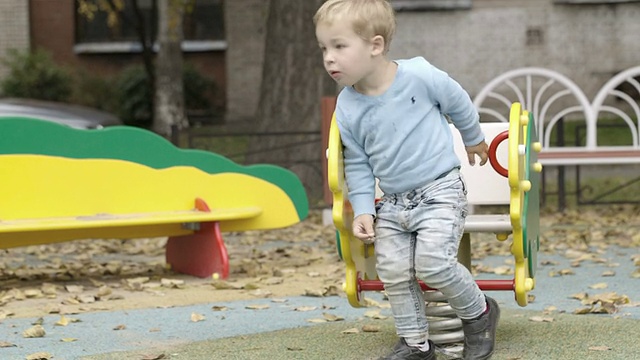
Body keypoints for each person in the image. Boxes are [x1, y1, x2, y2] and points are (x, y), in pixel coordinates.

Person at [314, 1, 500, 359]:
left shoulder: (419, 75)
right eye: (324, 48)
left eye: (339, 46)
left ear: (375, 45)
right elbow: (357, 162)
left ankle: (480, 314)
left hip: (440, 191)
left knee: (434, 263)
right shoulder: (347, 106)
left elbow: (457, 100)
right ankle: (416, 344)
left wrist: (473, 137)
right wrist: (365, 209)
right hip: (395, 203)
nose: (329, 58)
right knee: (394, 272)